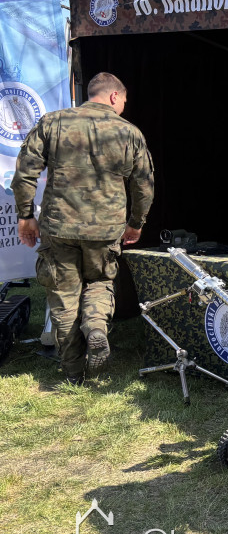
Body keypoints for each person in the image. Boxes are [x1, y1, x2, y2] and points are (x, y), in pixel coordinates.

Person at [13, 72, 154, 385]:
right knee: (100, 282)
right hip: (104, 231)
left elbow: (24, 172)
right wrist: (135, 224)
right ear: (115, 96)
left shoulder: (52, 123)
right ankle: (96, 329)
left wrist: (25, 216)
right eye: (124, 101)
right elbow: (144, 184)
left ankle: (73, 374)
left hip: (58, 228)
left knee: (63, 298)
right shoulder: (129, 132)